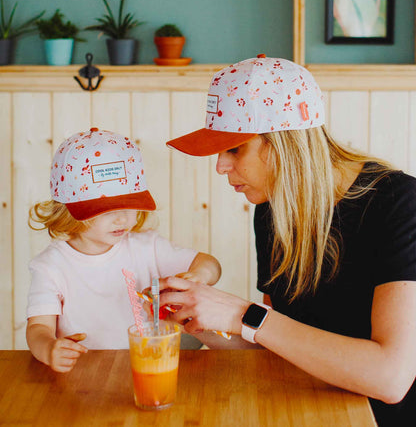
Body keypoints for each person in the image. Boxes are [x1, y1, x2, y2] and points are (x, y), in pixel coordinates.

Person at [159, 55, 416, 426]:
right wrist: (198, 316)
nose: (220, 166)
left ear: (284, 143)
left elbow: (391, 378)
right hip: (305, 407)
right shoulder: (271, 207)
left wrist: (241, 314)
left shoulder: (399, 203)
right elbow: (276, 342)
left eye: (234, 148)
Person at [26, 127, 221, 373]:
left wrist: (198, 277)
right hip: (85, 380)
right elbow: (38, 329)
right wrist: (49, 350)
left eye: (131, 204)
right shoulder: (51, 266)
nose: (122, 219)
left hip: (151, 370)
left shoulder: (147, 246)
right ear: (69, 210)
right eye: (106, 209)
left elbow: (210, 264)